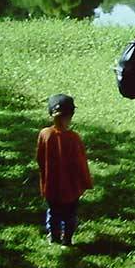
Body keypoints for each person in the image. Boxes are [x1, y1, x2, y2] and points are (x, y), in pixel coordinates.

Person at [37, 94, 93, 247]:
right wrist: (85, 182)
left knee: (53, 212)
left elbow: (40, 159)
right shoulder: (74, 138)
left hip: (51, 184)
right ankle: (66, 239)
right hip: (71, 186)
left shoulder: (44, 134)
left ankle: (53, 237)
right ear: (71, 115)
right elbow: (81, 163)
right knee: (69, 214)